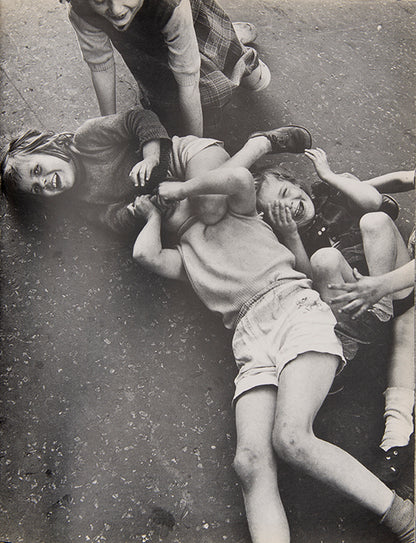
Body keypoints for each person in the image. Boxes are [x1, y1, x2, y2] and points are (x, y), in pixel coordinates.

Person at [128, 133, 414, 542]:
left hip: (294, 311)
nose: (170, 203)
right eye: (165, 206)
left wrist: (184, 188)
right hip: (249, 342)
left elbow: (238, 180)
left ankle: (403, 518)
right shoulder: (185, 258)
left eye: (174, 198)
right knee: (248, 462)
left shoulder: (241, 214)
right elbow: (145, 255)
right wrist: (153, 216)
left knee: (291, 438)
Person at [254, 149, 414, 487]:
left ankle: (380, 307)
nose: (290, 207)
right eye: (278, 210)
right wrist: (291, 235)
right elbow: (307, 279)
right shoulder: (293, 235)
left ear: (298, 183)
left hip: (391, 282)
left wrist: (329, 175)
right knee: (323, 260)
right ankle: (343, 345)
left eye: (287, 193)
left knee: (374, 221)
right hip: (354, 302)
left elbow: (373, 201)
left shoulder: (332, 193)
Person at [64, 0, 271, 137]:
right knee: (170, 111)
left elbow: (189, 82)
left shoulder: (172, 5)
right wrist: (109, 131)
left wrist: (193, 147)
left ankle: (237, 49)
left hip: (183, 16)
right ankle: (200, 42)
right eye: (100, 0)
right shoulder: (82, 9)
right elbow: (101, 67)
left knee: (215, 91)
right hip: (145, 37)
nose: (116, 10)